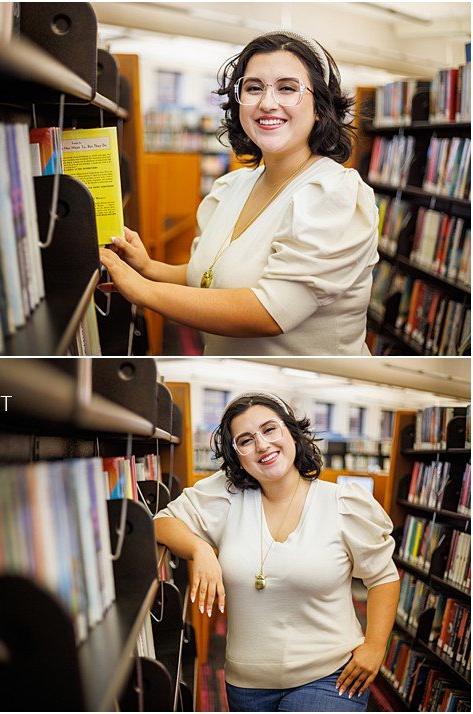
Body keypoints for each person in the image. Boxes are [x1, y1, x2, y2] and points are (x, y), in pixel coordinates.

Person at [98, 31, 378, 355]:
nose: (267, 102)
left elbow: (267, 312)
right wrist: (148, 268)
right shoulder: (232, 187)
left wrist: (142, 291)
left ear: (320, 107)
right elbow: (211, 278)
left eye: (288, 88)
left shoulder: (334, 194)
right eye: (254, 87)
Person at [153, 394, 400, 712]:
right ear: (237, 455)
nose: (262, 445)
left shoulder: (341, 503)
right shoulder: (225, 496)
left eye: (270, 429)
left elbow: (383, 577)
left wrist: (375, 647)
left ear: (292, 433)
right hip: (246, 685)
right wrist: (200, 549)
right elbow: (161, 523)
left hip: (330, 676)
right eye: (246, 440)